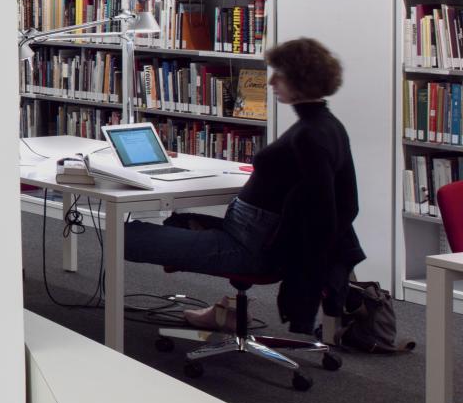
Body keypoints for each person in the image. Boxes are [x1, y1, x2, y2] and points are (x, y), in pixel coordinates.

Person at [123, 36, 362, 334]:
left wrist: (299, 272)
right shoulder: (326, 125)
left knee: (126, 237)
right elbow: (341, 205)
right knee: (177, 221)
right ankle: (228, 312)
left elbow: (321, 217)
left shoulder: (309, 137)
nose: (271, 81)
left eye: (279, 74)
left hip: (251, 248)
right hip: (253, 235)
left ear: (299, 80)